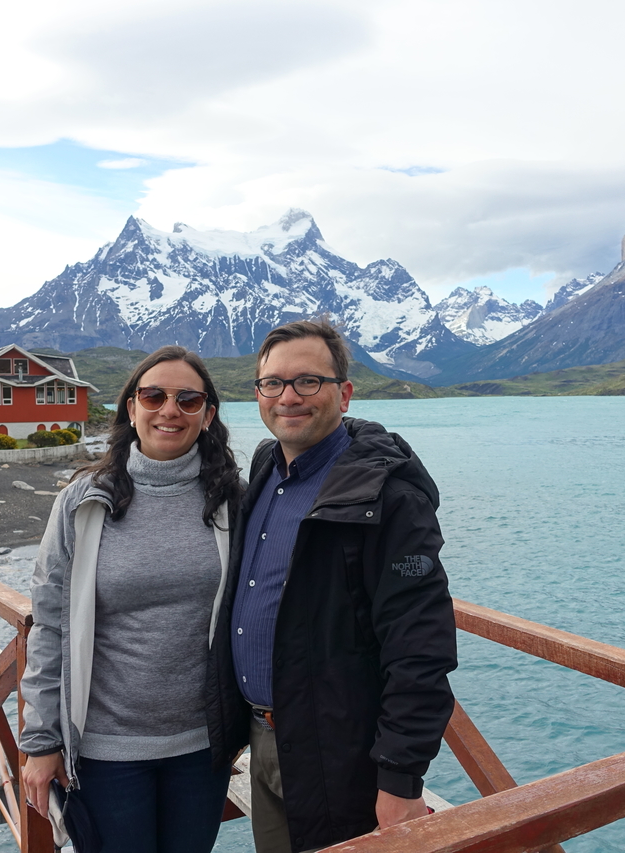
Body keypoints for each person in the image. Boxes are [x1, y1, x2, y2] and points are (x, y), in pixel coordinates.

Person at [214, 319, 459, 852]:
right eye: (273, 383)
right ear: (258, 392)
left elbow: (420, 644)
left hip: (340, 750)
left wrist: (400, 776)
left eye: (308, 381)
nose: (288, 397)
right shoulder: (265, 467)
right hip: (262, 736)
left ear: (343, 393)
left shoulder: (390, 496)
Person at [20, 346, 244, 853]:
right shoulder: (83, 502)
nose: (170, 410)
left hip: (202, 748)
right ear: (131, 407)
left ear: (207, 415)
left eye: (189, 400)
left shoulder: (232, 500)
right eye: (154, 395)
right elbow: (50, 624)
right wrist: (41, 741)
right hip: (105, 750)